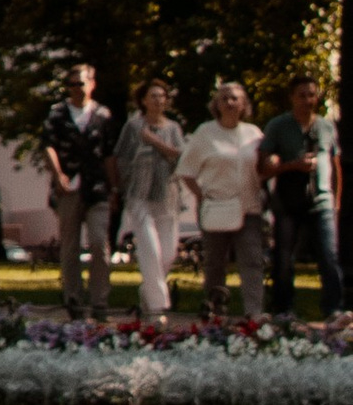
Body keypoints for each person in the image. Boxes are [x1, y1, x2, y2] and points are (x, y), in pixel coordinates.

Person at [179, 82, 267, 317]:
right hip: (216, 208)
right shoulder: (205, 133)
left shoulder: (254, 134)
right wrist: (202, 195)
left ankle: (254, 314)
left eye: (235, 98)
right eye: (224, 98)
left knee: (252, 261)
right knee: (215, 264)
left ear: (243, 104)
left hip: (248, 208)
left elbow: (264, 168)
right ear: (216, 104)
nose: (230, 102)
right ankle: (215, 313)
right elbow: (186, 171)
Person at [262, 74, 342, 319]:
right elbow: (263, 167)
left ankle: (333, 310)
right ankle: (283, 310)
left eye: (312, 95)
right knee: (284, 258)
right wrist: (292, 165)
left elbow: (335, 164)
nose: (307, 100)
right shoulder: (278, 126)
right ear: (292, 98)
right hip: (288, 201)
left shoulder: (326, 126)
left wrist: (336, 202)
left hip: (321, 200)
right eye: (302, 95)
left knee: (328, 256)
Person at [42, 61, 116, 315]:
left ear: (91, 84)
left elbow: (109, 153)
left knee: (99, 243)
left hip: (97, 187)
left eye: (81, 83)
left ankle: (99, 301)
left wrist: (114, 187)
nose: (76, 88)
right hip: (68, 188)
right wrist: (58, 175)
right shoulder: (57, 114)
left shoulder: (103, 115)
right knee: (70, 246)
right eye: (71, 84)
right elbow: (48, 145)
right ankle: (73, 298)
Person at [115, 78, 187, 321]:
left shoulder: (173, 128)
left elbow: (181, 157)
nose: (158, 100)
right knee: (150, 250)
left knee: (167, 254)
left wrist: (155, 142)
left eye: (161, 96)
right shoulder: (133, 127)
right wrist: (122, 187)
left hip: (168, 196)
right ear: (143, 100)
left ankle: (147, 294)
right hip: (140, 196)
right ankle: (158, 310)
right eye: (153, 96)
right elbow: (120, 158)